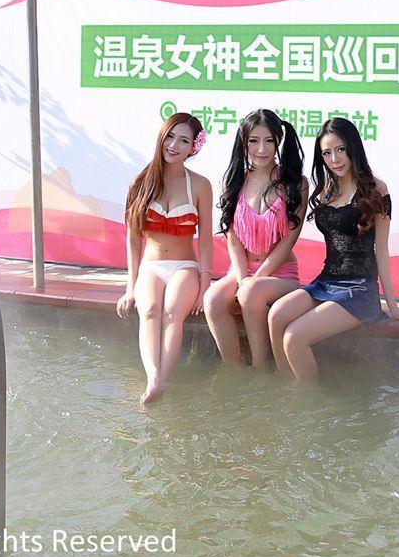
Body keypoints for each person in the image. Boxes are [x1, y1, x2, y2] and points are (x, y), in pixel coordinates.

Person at [268, 117, 399, 382]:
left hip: (359, 289)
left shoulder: (376, 190)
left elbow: (382, 253)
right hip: (325, 283)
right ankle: (287, 386)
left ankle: (309, 401)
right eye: (326, 153)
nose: (335, 159)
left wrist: (394, 307)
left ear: (353, 147)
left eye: (340, 149)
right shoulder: (326, 189)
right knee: (276, 316)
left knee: (294, 336)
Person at [115, 113, 213, 404]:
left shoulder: (200, 185)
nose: (174, 145)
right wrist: (130, 287)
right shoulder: (140, 183)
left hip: (185, 267)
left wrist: (205, 281)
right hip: (151, 267)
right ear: (161, 137)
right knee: (149, 311)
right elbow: (133, 239)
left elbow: (206, 239)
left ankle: (161, 382)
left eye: (183, 140)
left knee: (172, 312)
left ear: (193, 147)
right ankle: (154, 379)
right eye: (170, 137)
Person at [203, 109, 307, 369]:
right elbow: (233, 240)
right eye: (254, 141)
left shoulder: (296, 183)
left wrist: (253, 281)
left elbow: (287, 244)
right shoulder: (233, 180)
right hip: (240, 270)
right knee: (213, 299)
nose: (262, 149)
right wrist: (241, 279)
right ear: (243, 142)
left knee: (250, 293)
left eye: (269, 141)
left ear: (278, 141)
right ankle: (235, 369)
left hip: (279, 274)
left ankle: (261, 368)